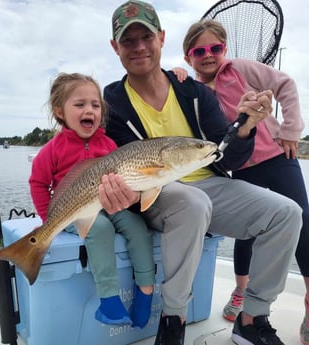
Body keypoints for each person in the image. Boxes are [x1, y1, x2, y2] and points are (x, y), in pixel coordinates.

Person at [96, 1, 302, 345]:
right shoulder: (112, 102)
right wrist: (120, 194)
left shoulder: (193, 91)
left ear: (162, 38)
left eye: (146, 37)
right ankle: (172, 319)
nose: (139, 47)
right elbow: (119, 166)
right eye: (128, 41)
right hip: (156, 193)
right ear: (115, 48)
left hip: (210, 185)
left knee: (287, 213)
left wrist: (246, 126)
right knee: (191, 203)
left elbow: (226, 158)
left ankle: (251, 318)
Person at [172, 18, 309, 345]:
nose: (208, 55)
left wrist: (291, 129)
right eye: (198, 51)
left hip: (278, 156)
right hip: (241, 167)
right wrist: (177, 75)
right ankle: (241, 290)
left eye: (215, 48)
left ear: (225, 49)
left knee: (302, 220)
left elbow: (286, 85)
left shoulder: (242, 69)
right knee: (249, 230)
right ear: (189, 56)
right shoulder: (194, 92)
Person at [28, 72, 155, 328]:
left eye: (95, 105)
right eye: (80, 104)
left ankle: (145, 291)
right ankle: (108, 301)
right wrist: (49, 220)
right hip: (74, 212)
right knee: (100, 229)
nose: (90, 110)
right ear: (60, 111)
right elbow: (38, 183)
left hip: (109, 206)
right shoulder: (52, 149)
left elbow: (123, 181)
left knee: (138, 227)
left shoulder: (109, 145)